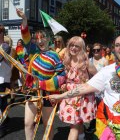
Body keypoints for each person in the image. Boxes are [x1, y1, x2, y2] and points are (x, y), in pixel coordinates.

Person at [49, 33, 120, 140]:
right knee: (75, 124)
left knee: (76, 125)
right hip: (112, 127)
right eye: (117, 45)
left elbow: (91, 77)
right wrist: (60, 96)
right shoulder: (108, 70)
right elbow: (84, 88)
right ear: (114, 49)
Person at [16, 9, 66, 140]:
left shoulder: (55, 56)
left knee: (47, 125)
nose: (40, 40)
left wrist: (44, 84)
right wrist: (24, 19)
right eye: (37, 38)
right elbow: (25, 37)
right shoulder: (33, 51)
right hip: (33, 92)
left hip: (48, 96)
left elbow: (61, 76)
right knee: (27, 123)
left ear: (48, 39)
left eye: (42, 37)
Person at [58, 36, 97, 140]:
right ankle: (82, 137)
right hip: (70, 96)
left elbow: (98, 77)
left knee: (74, 125)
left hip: (81, 97)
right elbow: (68, 78)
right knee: (76, 122)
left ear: (81, 48)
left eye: (77, 46)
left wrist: (87, 83)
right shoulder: (67, 61)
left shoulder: (86, 63)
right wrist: (65, 84)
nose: (73, 48)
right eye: (71, 45)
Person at [0, 25, 11, 138]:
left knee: (1, 104)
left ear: (3, 34)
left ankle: (2, 128)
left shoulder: (5, 46)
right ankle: (6, 120)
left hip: (3, 79)